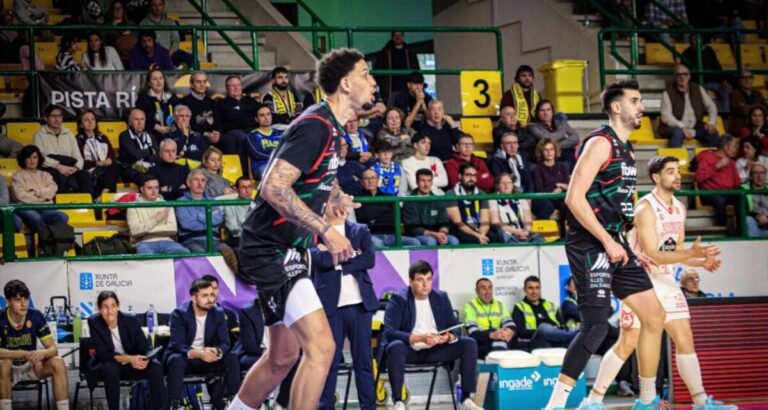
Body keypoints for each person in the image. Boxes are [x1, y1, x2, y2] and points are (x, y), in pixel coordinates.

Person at [231, 48, 374, 410]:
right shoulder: (316, 126)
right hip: (269, 247)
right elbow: (273, 187)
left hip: (285, 247)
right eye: (365, 74)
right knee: (323, 348)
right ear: (345, 83)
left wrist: (335, 195)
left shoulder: (332, 127)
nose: (373, 81)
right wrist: (327, 229)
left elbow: (316, 175)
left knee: (282, 357)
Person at [544, 80, 666, 410]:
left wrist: (628, 245)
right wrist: (607, 240)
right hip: (589, 242)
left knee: (654, 316)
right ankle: (554, 406)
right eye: (635, 101)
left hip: (615, 243)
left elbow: (616, 208)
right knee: (596, 327)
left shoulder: (627, 149)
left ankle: (646, 400)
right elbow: (573, 198)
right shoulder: (600, 142)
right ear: (616, 107)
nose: (641, 106)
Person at [584, 155, 734, 410]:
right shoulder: (645, 208)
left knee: (684, 335)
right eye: (671, 172)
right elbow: (653, 253)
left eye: (678, 171)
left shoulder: (679, 207)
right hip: (638, 280)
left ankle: (701, 402)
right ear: (656, 177)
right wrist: (691, 255)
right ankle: (595, 401)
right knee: (628, 342)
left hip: (664, 278)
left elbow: (675, 250)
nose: (677, 176)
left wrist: (700, 262)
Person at [381, 260, 483, 410]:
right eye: (420, 280)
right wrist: (419, 338)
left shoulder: (441, 297)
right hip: (410, 350)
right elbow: (389, 332)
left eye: (428, 279)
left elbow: (454, 327)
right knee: (396, 346)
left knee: (469, 343)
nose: (425, 285)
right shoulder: (399, 299)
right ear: (411, 282)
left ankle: (467, 400)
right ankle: (398, 401)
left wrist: (448, 337)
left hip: (436, 350)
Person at [310, 207, 378, 410]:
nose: (340, 207)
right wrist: (353, 255)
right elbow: (318, 260)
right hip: (331, 307)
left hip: (360, 306)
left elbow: (369, 259)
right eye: (333, 202)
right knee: (328, 364)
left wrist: (338, 263)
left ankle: (369, 407)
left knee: (364, 362)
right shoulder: (315, 232)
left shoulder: (360, 230)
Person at [166, 279, 241, 410]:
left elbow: (225, 342)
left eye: (212, 295)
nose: (210, 299)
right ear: (194, 298)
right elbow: (177, 344)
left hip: (209, 359)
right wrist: (199, 353)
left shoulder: (218, 313)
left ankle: (233, 400)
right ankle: (175, 403)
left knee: (231, 356)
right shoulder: (180, 314)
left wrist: (217, 351)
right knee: (176, 359)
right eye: (204, 296)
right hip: (188, 358)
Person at [88, 290, 165, 410]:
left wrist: (143, 359)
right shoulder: (94, 322)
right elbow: (104, 354)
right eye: (105, 307)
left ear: (118, 306)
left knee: (155, 366)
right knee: (110, 367)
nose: (110, 311)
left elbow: (144, 346)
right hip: (112, 363)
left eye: (113, 306)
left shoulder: (130, 320)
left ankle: (159, 408)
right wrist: (130, 359)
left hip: (133, 364)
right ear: (99, 309)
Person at [0, 280, 69, 410]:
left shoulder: (35, 315)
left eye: (26, 299)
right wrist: (22, 353)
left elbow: (53, 349)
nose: (24, 303)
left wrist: (42, 354)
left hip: (31, 366)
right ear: (8, 302)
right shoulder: (1, 317)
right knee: (5, 364)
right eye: (18, 299)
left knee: (58, 362)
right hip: (8, 369)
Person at [34, 104, 92, 196]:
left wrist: (75, 168)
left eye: (59, 116)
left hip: (69, 166)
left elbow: (79, 158)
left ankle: (87, 205)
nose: (57, 119)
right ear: (46, 118)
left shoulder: (69, 134)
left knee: (84, 174)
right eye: (53, 116)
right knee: (53, 175)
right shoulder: (40, 135)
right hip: (51, 167)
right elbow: (40, 157)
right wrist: (58, 166)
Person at [175, 169, 233, 258]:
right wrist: (209, 219)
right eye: (196, 180)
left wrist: (198, 216)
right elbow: (186, 224)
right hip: (191, 240)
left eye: (203, 180)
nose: (200, 183)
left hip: (214, 240)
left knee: (230, 254)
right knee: (201, 256)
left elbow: (218, 220)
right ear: (188, 183)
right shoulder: (181, 201)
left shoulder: (212, 201)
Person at [658, 64, 720, 148]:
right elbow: (666, 116)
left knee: (712, 132)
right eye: (679, 75)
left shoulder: (697, 88)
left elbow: (711, 106)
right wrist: (682, 127)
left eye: (685, 74)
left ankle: (711, 158)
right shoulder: (667, 92)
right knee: (677, 133)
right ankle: (674, 159)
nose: (682, 77)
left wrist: (711, 122)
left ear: (689, 76)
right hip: (675, 127)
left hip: (695, 127)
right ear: (675, 77)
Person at [11, 145, 69, 234]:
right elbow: (20, 196)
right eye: (28, 158)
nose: (32, 160)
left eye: (35, 157)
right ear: (23, 159)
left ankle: (55, 243)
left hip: (45, 207)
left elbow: (52, 190)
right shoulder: (18, 176)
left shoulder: (45, 175)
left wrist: (34, 192)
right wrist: (43, 197)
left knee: (62, 216)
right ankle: (44, 243)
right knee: (36, 217)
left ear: (39, 159)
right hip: (26, 208)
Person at [355, 168, 419, 247]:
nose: (370, 181)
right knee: (379, 244)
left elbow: (399, 216)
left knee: (415, 243)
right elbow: (361, 220)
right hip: (371, 235)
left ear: (378, 180)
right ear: (361, 182)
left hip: (391, 235)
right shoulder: (357, 199)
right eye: (366, 178)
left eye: (372, 178)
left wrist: (375, 220)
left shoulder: (389, 197)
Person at [127, 174, 189, 254]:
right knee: (145, 253)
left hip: (167, 242)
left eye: (156, 187)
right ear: (142, 189)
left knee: (185, 253)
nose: (154, 191)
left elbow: (173, 229)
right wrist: (156, 219)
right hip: (143, 243)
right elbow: (135, 231)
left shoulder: (166, 204)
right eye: (149, 188)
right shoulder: (132, 206)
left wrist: (145, 230)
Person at [512, 276, 576, 351]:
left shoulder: (550, 305)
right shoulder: (519, 307)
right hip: (533, 342)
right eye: (530, 288)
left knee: (570, 343)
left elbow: (563, 326)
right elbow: (520, 332)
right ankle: (575, 336)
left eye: (537, 288)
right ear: (525, 290)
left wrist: (554, 330)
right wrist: (541, 331)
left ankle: (575, 336)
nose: (534, 291)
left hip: (555, 341)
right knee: (543, 327)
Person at [446, 163, 503, 244]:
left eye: (474, 175)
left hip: (479, 229)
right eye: (468, 175)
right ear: (460, 176)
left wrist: (482, 234)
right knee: (473, 240)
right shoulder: (451, 194)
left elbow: (485, 220)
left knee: (496, 238)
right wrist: (477, 236)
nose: (471, 178)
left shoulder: (482, 194)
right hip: (460, 230)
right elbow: (457, 222)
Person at [401, 169, 459, 246]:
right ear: (417, 182)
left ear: (432, 182)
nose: (426, 184)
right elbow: (412, 228)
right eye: (423, 181)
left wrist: (442, 233)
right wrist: (434, 234)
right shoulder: (409, 201)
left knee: (454, 241)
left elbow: (444, 222)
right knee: (430, 241)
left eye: (429, 181)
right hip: (417, 236)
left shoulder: (438, 200)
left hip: (437, 233)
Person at [464, 278, 517, 359]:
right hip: (480, 343)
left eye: (490, 288)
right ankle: (498, 370)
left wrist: (510, 332)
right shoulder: (470, 306)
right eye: (483, 288)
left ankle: (499, 370)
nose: (487, 292)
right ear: (477, 291)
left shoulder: (499, 305)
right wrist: (492, 334)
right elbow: (473, 333)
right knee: (500, 344)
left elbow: (510, 324)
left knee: (503, 342)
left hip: (499, 338)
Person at [694, 135, 741, 227]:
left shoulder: (731, 162)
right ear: (725, 146)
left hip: (729, 193)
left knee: (741, 199)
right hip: (710, 193)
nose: (735, 149)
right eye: (733, 146)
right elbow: (699, 178)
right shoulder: (708, 158)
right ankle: (722, 229)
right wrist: (715, 167)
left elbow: (737, 182)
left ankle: (741, 230)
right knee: (719, 201)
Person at [75, 109, 121, 196]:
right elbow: (79, 161)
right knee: (83, 174)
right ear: (81, 124)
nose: (90, 122)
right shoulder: (77, 140)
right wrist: (97, 163)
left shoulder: (103, 137)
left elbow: (111, 154)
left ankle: (103, 196)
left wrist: (109, 160)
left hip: (103, 169)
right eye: (86, 120)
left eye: (92, 119)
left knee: (114, 166)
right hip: (88, 170)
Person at [490, 173, 543, 243]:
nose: (506, 185)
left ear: (512, 185)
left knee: (538, 238)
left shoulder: (521, 198)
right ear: (497, 186)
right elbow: (495, 222)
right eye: (503, 183)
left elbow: (528, 219)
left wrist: (526, 231)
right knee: (507, 238)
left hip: (522, 231)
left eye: (509, 182)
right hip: (506, 232)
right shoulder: (492, 199)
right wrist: (515, 231)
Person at [527, 99, 579, 171]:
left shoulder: (560, 123)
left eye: (548, 110)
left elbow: (575, 137)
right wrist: (562, 133)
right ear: (538, 114)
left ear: (552, 112)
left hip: (565, 152)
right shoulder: (533, 127)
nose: (546, 113)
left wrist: (557, 145)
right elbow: (547, 138)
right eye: (542, 110)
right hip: (548, 156)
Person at [215, 75, 259, 158]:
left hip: (252, 129)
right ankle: (244, 169)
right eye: (233, 86)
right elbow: (219, 122)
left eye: (238, 85)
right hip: (234, 131)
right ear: (227, 88)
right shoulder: (222, 103)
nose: (236, 88)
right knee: (244, 138)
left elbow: (261, 112)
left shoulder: (250, 101)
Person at [140, 0, 193, 68]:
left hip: (170, 52)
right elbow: (142, 42)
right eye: (154, 5)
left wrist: (169, 53)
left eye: (160, 5)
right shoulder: (143, 23)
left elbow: (176, 40)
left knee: (190, 58)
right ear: (150, 6)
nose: (157, 8)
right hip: (152, 54)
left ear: (163, 6)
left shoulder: (170, 22)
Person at [374, 31, 420, 104]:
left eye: (400, 35)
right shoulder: (384, 52)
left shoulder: (410, 52)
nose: (398, 37)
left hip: (407, 90)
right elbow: (377, 71)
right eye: (395, 35)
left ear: (403, 36)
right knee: (390, 112)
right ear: (392, 37)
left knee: (407, 110)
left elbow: (416, 70)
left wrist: (414, 85)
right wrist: (383, 86)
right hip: (390, 90)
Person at [531, 138, 570, 223]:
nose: (549, 152)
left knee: (568, 203)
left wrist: (559, 188)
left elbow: (568, 185)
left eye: (551, 149)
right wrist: (557, 186)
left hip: (561, 197)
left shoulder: (563, 166)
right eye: (546, 150)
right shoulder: (537, 169)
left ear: (555, 151)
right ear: (541, 152)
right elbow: (539, 189)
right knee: (545, 205)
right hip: (545, 199)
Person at [136, 67, 180, 141]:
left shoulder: (172, 97)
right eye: (154, 79)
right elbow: (142, 119)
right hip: (151, 134)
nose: (158, 81)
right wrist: (158, 128)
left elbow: (180, 114)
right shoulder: (143, 99)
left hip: (172, 133)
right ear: (149, 83)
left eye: (160, 78)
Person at [180, 71, 221, 148]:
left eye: (204, 81)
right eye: (198, 82)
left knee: (229, 141)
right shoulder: (184, 102)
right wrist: (205, 133)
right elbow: (188, 123)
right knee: (203, 140)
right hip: (196, 134)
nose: (202, 85)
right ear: (191, 84)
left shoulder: (212, 102)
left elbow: (218, 120)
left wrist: (217, 132)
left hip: (213, 135)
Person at [246, 104, 283, 179]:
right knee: (271, 173)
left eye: (268, 114)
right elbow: (257, 153)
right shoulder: (253, 135)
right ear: (256, 119)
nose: (266, 117)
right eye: (262, 115)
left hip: (282, 164)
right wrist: (278, 155)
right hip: (263, 166)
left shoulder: (280, 133)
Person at [119, 108, 159, 173]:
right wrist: (151, 151)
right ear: (130, 121)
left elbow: (157, 152)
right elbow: (134, 155)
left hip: (149, 166)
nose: (139, 123)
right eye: (136, 119)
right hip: (131, 168)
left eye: (142, 119)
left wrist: (145, 154)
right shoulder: (124, 136)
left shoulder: (150, 135)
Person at [728, 70, 767, 135]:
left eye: (749, 77)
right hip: (741, 127)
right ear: (740, 80)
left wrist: (746, 106)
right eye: (744, 78)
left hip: (759, 128)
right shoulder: (734, 94)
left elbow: (766, 109)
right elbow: (741, 110)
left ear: (752, 80)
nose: (747, 80)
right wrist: (758, 108)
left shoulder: (758, 93)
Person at [103, 0, 136, 68]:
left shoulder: (131, 24)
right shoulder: (106, 27)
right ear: (111, 11)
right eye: (115, 8)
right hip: (113, 58)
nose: (118, 10)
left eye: (120, 8)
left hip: (132, 58)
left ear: (123, 10)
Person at [234, 301, 265, 371]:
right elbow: (250, 346)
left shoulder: (282, 309)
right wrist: (270, 352)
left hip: (278, 353)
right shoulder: (248, 311)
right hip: (255, 354)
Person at [224, 177, 254, 245]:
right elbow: (233, 229)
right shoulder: (230, 205)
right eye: (243, 187)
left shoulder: (257, 204)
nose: (247, 190)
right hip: (239, 240)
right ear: (237, 189)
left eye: (249, 187)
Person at [743, 163, 768, 238]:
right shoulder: (743, 189)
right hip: (753, 223)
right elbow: (741, 209)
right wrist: (756, 216)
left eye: (762, 173)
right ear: (750, 176)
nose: (759, 176)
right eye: (756, 173)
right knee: (748, 220)